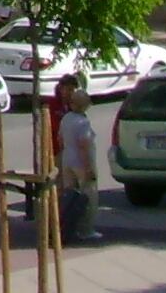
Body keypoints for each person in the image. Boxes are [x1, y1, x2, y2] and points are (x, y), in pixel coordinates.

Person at [56, 76, 101, 242]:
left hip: (67, 159)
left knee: (69, 195)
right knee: (88, 195)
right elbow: (84, 145)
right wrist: (88, 167)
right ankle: (86, 229)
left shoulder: (66, 119)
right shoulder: (83, 123)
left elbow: (60, 140)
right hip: (80, 162)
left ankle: (69, 227)